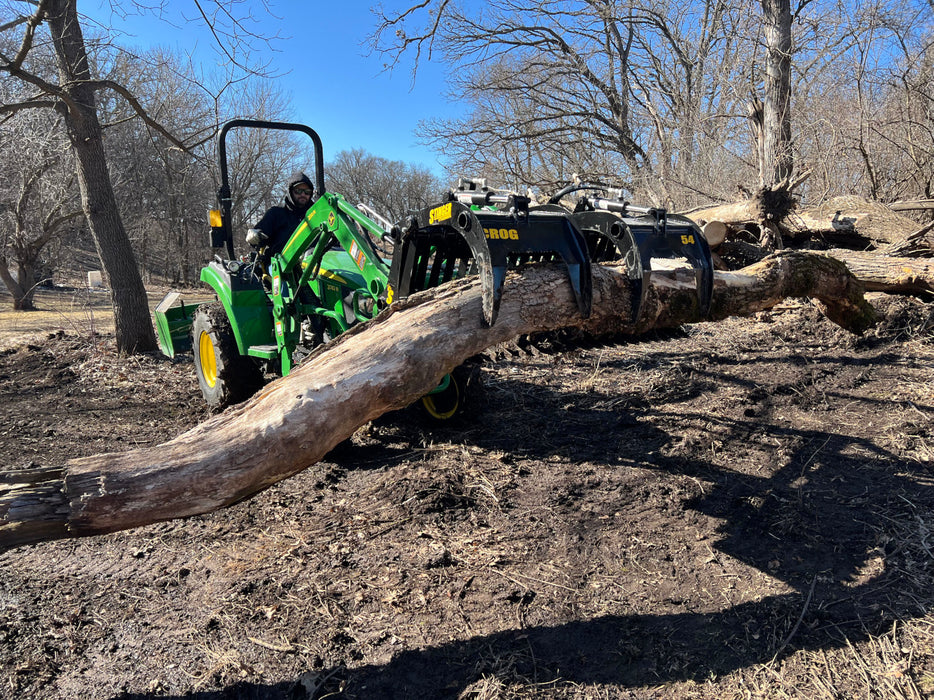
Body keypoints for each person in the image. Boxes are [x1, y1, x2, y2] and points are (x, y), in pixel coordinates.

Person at [246, 170, 315, 255]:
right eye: (298, 191)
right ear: (290, 192)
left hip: (315, 262)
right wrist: (254, 235)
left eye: (307, 192)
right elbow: (260, 234)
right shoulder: (276, 213)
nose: (303, 195)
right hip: (280, 264)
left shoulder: (317, 214)